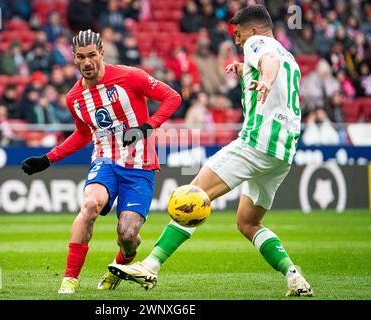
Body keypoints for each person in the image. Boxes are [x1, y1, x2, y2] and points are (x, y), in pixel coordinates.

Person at [109, 5, 313, 297]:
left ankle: (150, 266)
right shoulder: (289, 56)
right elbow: (274, 68)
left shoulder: (260, 43)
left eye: (239, 34)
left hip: (256, 143)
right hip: (283, 152)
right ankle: (294, 277)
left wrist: (264, 79)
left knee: (192, 196)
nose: (238, 42)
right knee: (248, 222)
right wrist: (246, 71)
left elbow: (268, 62)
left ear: (254, 30)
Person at [20, 29, 181, 294]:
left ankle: (118, 267)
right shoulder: (74, 98)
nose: (87, 62)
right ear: (74, 58)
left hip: (140, 166)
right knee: (90, 204)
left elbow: (172, 97)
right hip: (105, 160)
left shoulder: (131, 76)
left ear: (102, 54)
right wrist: (48, 159)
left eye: (92, 55)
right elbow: (84, 134)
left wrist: (147, 127)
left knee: (128, 236)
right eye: (81, 57)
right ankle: (69, 279)